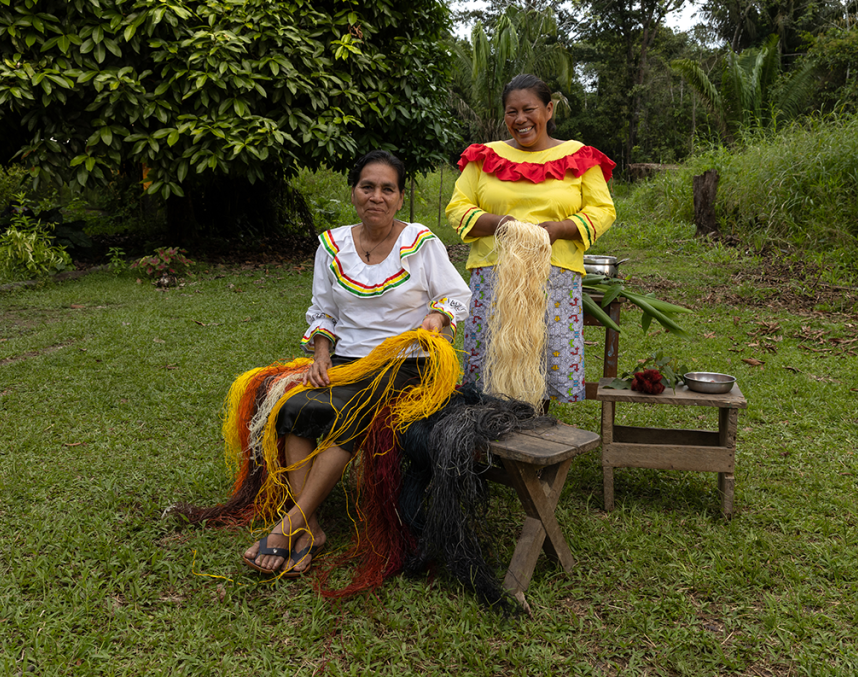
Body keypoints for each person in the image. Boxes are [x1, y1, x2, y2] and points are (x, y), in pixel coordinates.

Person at [242, 150, 471, 577]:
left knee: (351, 411)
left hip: (407, 361)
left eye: (388, 189)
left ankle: (290, 524)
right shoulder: (332, 246)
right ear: (354, 193)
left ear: (401, 198)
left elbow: (456, 295)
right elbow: (324, 311)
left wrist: (438, 316)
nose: (376, 197)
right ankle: (310, 526)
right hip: (347, 362)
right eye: (368, 187)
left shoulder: (420, 243)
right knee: (295, 408)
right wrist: (322, 354)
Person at [445, 73, 617, 405]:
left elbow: (602, 210)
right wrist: (502, 224)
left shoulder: (578, 156)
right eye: (512, 112)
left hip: (555, 273)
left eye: (529, 109)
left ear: (549, 110)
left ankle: (540, 426)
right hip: (495, 272)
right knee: (494, 347)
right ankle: (489, 426)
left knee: (547, 346)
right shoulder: (485, 157)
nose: (521, 120)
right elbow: (458, 207)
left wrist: (559, 230)